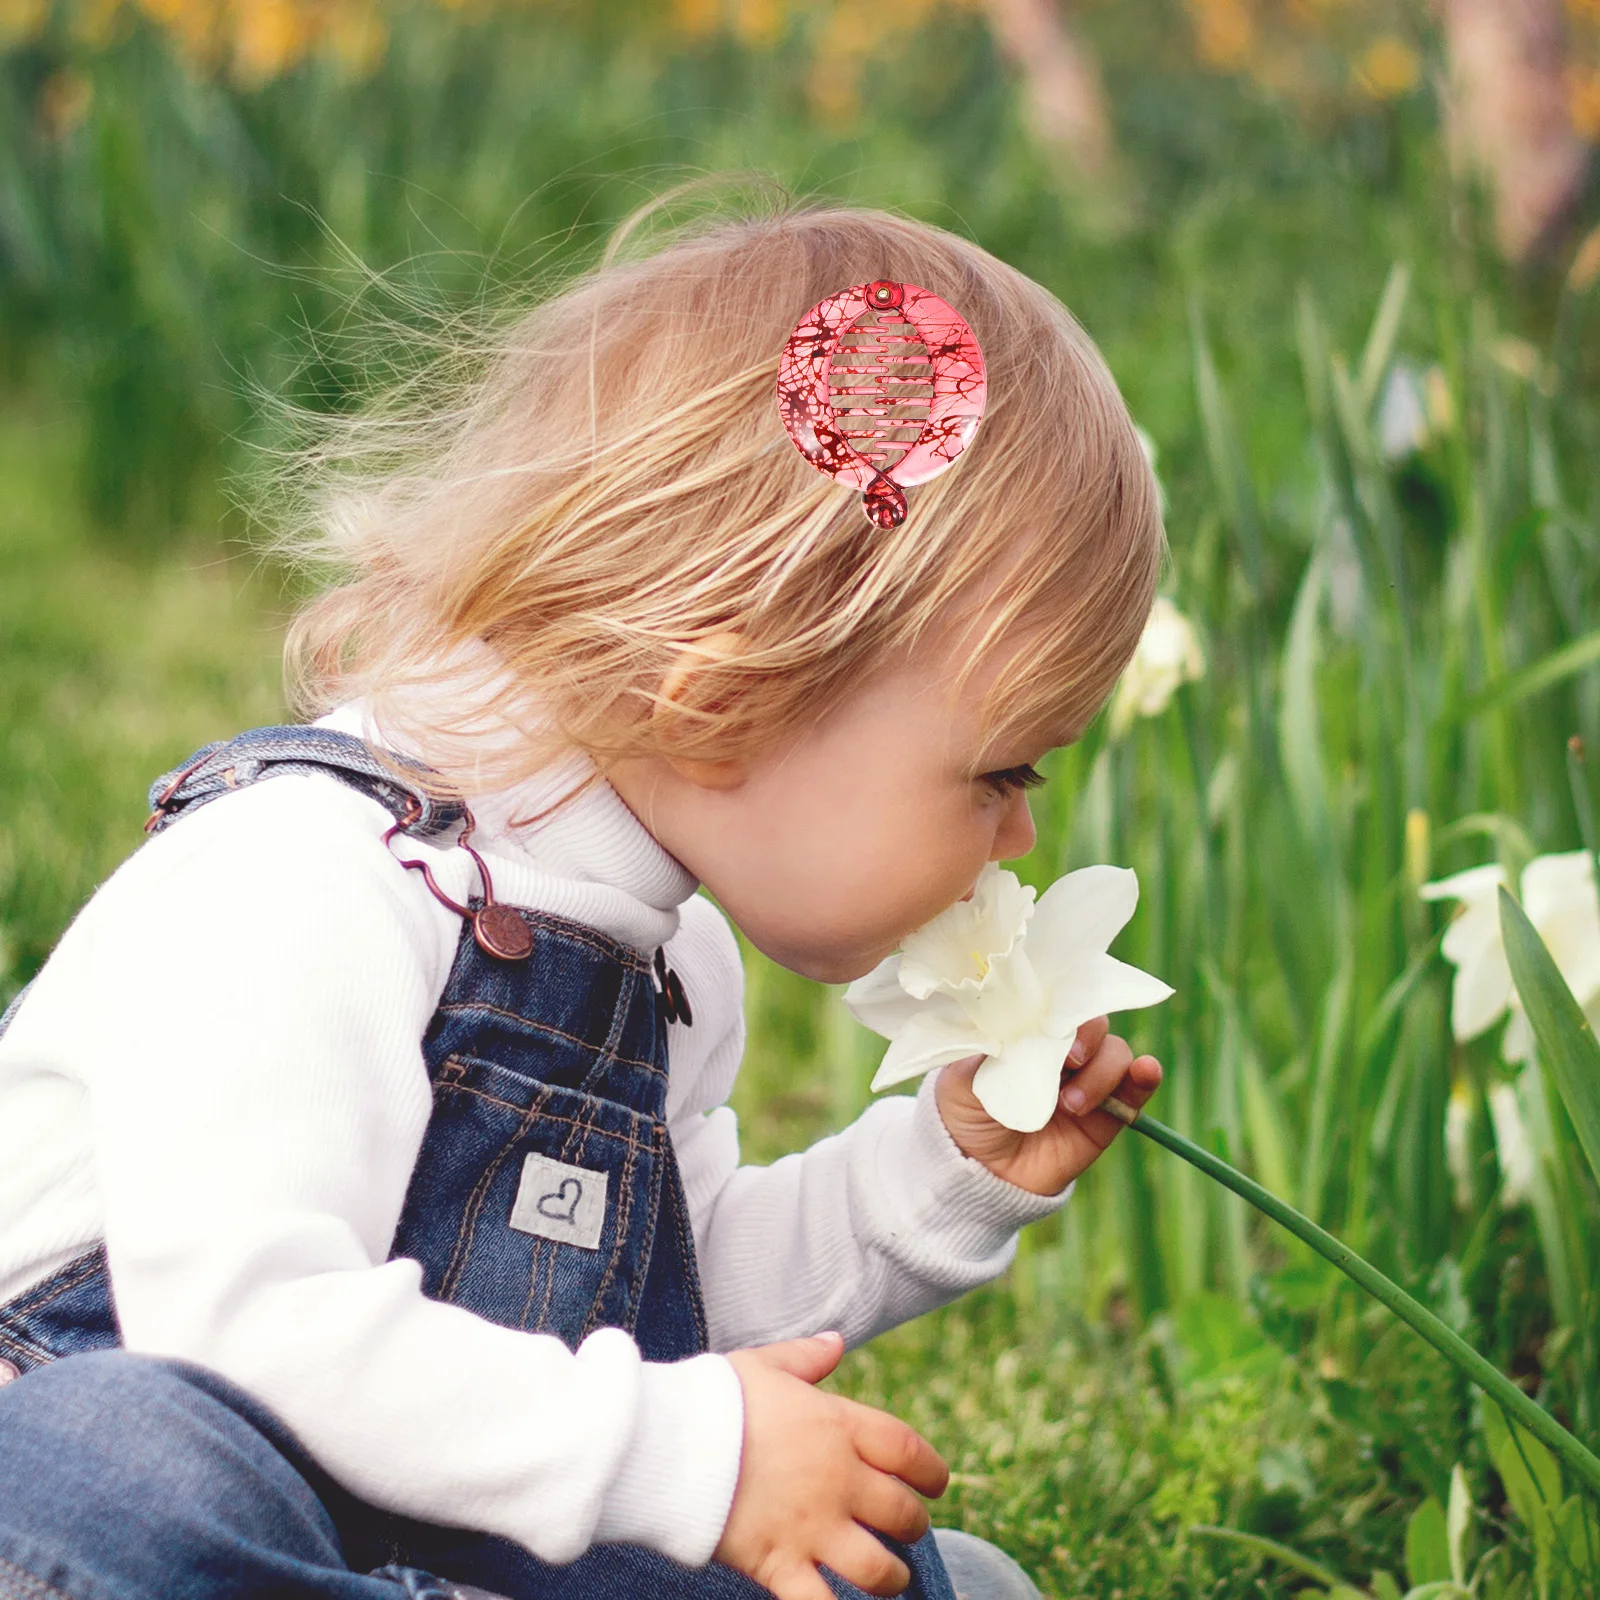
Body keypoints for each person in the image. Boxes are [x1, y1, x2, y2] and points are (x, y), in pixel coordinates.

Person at [0, 186, 1166, 1600]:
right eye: (998, 776)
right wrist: (692, 1460)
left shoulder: (666, 968)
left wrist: (938, 1174)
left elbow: (651, 1306)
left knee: (922, 1575)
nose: (1017, 842)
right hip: (121, 1444)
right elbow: (239, 1329)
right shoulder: (311, 875)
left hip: (415, 1516)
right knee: (128, 1467)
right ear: (728, 700)